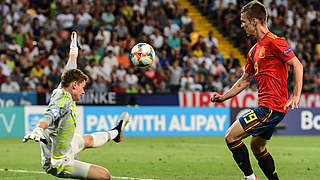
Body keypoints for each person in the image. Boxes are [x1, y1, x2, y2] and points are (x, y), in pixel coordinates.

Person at [210, 1, 303, 180]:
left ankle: (250, 178)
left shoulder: (275, 42)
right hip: (270, 107)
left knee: (231, 136)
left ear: (255, 21)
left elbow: (297, 65)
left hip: (271, 107)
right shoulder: (253, 51)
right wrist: (223, 97)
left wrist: (296, 95)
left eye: (244, 22)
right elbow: (244, 81)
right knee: (257, 147)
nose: (242, 25)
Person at [23, 32, 130, 180]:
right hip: (58, 160)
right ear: (74, 85)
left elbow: (71, 65)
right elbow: (50, 113)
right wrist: (39, 128)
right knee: (104, 176)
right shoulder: (62, 100)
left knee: (88, 140)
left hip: (65, 145)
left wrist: (74, 49)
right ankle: (115, 134)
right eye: (82, 87)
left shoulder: (63, 86)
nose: (84, 91)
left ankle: (116, 133)